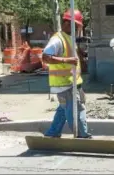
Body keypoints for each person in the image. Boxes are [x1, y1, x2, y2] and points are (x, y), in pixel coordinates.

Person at [42, 9, 92, 139]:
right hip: (65, 83)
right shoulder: (57, 39)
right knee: (75, 109)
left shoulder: (69, 38)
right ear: (66, 23)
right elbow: (45, 57)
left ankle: (52, 133)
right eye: (75, 25)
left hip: (73, 82)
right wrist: (67, 60)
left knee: (63, 109)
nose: (76, 29)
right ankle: (82, 136)